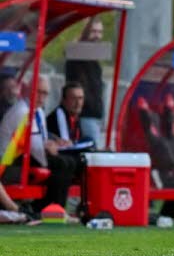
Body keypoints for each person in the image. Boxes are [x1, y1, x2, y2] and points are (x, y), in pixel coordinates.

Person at [0, 76, 78, 215]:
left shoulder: (38, 111)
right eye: (38, 92)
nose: (41, 97)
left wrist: (55, 142)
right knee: (60, 164)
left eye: (45, 93)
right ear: (28, 90)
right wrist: (49, 149)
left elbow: (40, 139)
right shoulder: (22, 111)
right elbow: (36, 147)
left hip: (25, 157)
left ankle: (54, 208)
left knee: (69, 162)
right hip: (9, 164)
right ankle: (48, 209)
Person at [64, 17, 107, 146]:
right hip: (86, 114)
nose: (97, 36)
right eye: (93, 31)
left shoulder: (92, 58)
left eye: (100, 32)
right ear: (86, 32)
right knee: (93, 150)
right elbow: (78, 84)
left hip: (95, 114)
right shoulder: (78, 57)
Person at [46, 81, 90, 147]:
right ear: (63, 100)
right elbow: (66, 144)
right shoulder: (57, 116)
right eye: (73, 98)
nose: (78, 103)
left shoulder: (75, 116)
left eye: (80, 98)